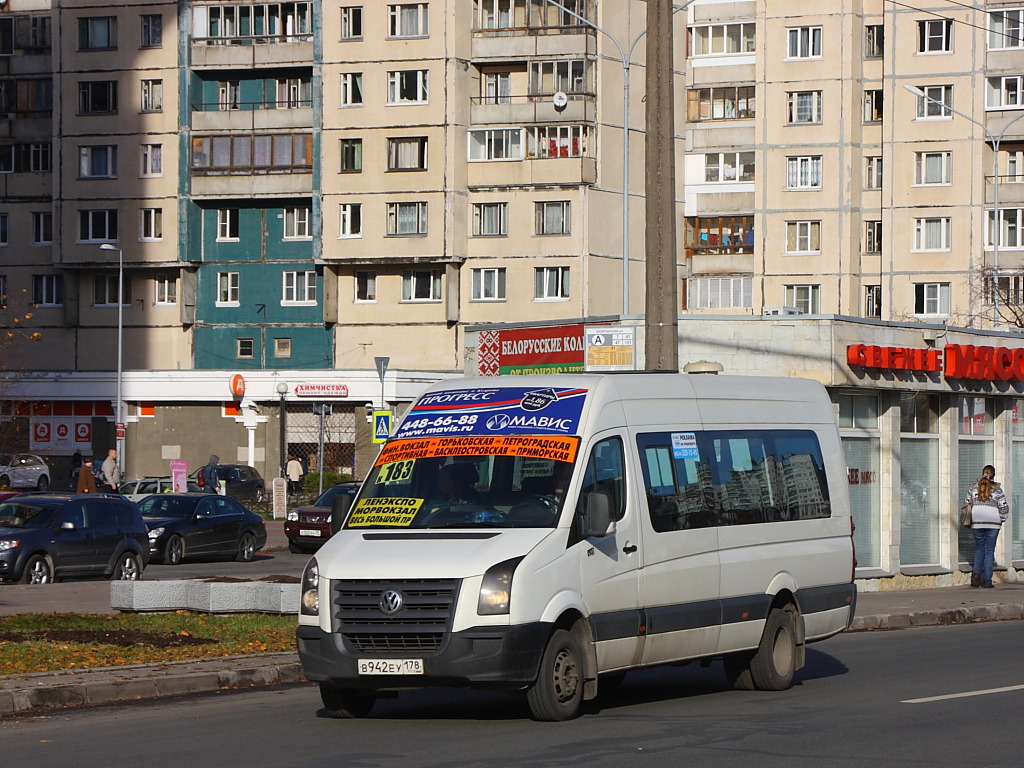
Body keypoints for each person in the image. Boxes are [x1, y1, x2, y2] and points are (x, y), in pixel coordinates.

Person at [964, 465, 1009, 588]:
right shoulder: (998, 490)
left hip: (977, 522)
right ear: (993, 476)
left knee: (979, 549)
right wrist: (1002, 519)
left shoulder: (973, 488)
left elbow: (967, 502)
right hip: (993, 524)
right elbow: (1004, 507)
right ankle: (987, 581)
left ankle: (976, 574)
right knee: (989, 551)